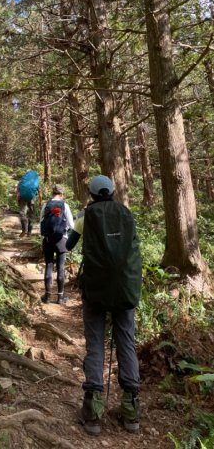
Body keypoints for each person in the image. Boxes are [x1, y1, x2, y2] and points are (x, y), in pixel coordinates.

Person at [66, 175, 141, 436]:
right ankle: (131, 411)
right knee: (126, 342)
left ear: (92, 193)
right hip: (125, 290)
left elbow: (68, 244)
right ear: (112, 191)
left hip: (95, 291)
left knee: (95, 344)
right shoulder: (126, 214)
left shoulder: (85, 217)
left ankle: (93, 414)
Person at [40, 184, 74, 305]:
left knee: (48, 266)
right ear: (62, 194)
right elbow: (72, 225)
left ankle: (47, 296)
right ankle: (60, 297)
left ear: (52, 193)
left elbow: (41, 222)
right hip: (61, 240)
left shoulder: (46, 205)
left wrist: (43, 237)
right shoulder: (65, 205)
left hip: (48, 240)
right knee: (60, 268)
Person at [16, 170, 41, 238]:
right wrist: (40, 201)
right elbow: (39, 192)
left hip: (22, 198)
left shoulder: (23, 180)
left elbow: (18, 189)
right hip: (32, 198)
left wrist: (17, 198)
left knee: (22, 212)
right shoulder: (35, 181)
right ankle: (29, 232)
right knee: (31, 214)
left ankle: (24, 230)